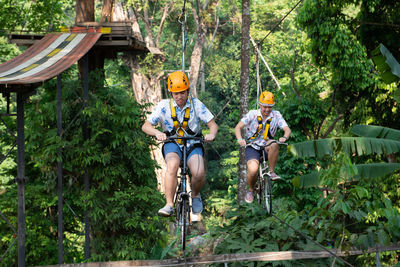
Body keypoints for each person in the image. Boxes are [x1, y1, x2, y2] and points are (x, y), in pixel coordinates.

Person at [142, 70, 218, 216]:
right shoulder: (164, 106)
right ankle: (169, 204)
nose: (179, 96)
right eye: (176, 93)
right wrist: (157, 132)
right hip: (172, 143)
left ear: (188, 91)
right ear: (171, 93)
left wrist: (211, 134)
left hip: (193, 144)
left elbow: (212, 125)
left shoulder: (196, 105)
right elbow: (146, 126)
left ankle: (195, 195)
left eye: (182, 92)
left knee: (199, 171)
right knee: (172, 165)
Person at [234, 91, 291, 204]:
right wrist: (240, 139)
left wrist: (284, 137)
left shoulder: (276, 115)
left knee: (273, 143)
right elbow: (238, 127)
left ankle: (271, 171)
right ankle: (251, 190)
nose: (267, 110)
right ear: (260, 105)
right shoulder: (252, 114)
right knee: (253, 169)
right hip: (252, 146)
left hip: (267, 146)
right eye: (264, 107)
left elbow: (287, 129)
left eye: (269, 107)